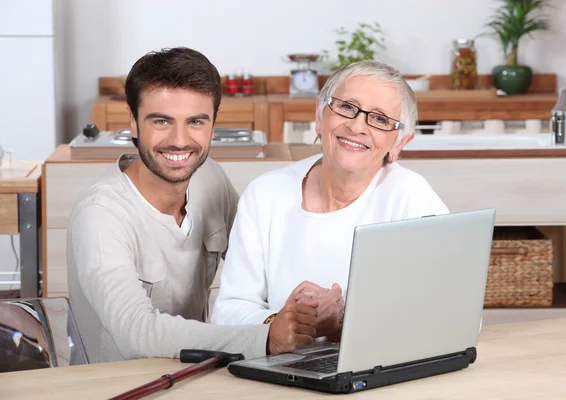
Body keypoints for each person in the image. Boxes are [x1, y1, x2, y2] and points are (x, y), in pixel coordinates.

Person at [67, 47, 318, 364]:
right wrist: (266, 338)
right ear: (133, 123)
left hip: (198, 376)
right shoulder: (100, 216)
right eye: (161, 121)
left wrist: (316, 307)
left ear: (213, 126)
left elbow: (265, 268)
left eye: (196, 122)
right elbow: (136, 335)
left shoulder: (209, 177)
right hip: (117, 388)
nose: (180, 140)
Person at [212, 60, 449, 340]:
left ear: (399, 144)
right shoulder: (264, 194)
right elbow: (227, 313)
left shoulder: (413, 199)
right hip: (279, 368)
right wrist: (282, 322)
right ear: (319, 115)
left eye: (380, 119)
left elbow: (454, 314)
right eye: (347, 107)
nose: (357, 126)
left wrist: (343, 321)